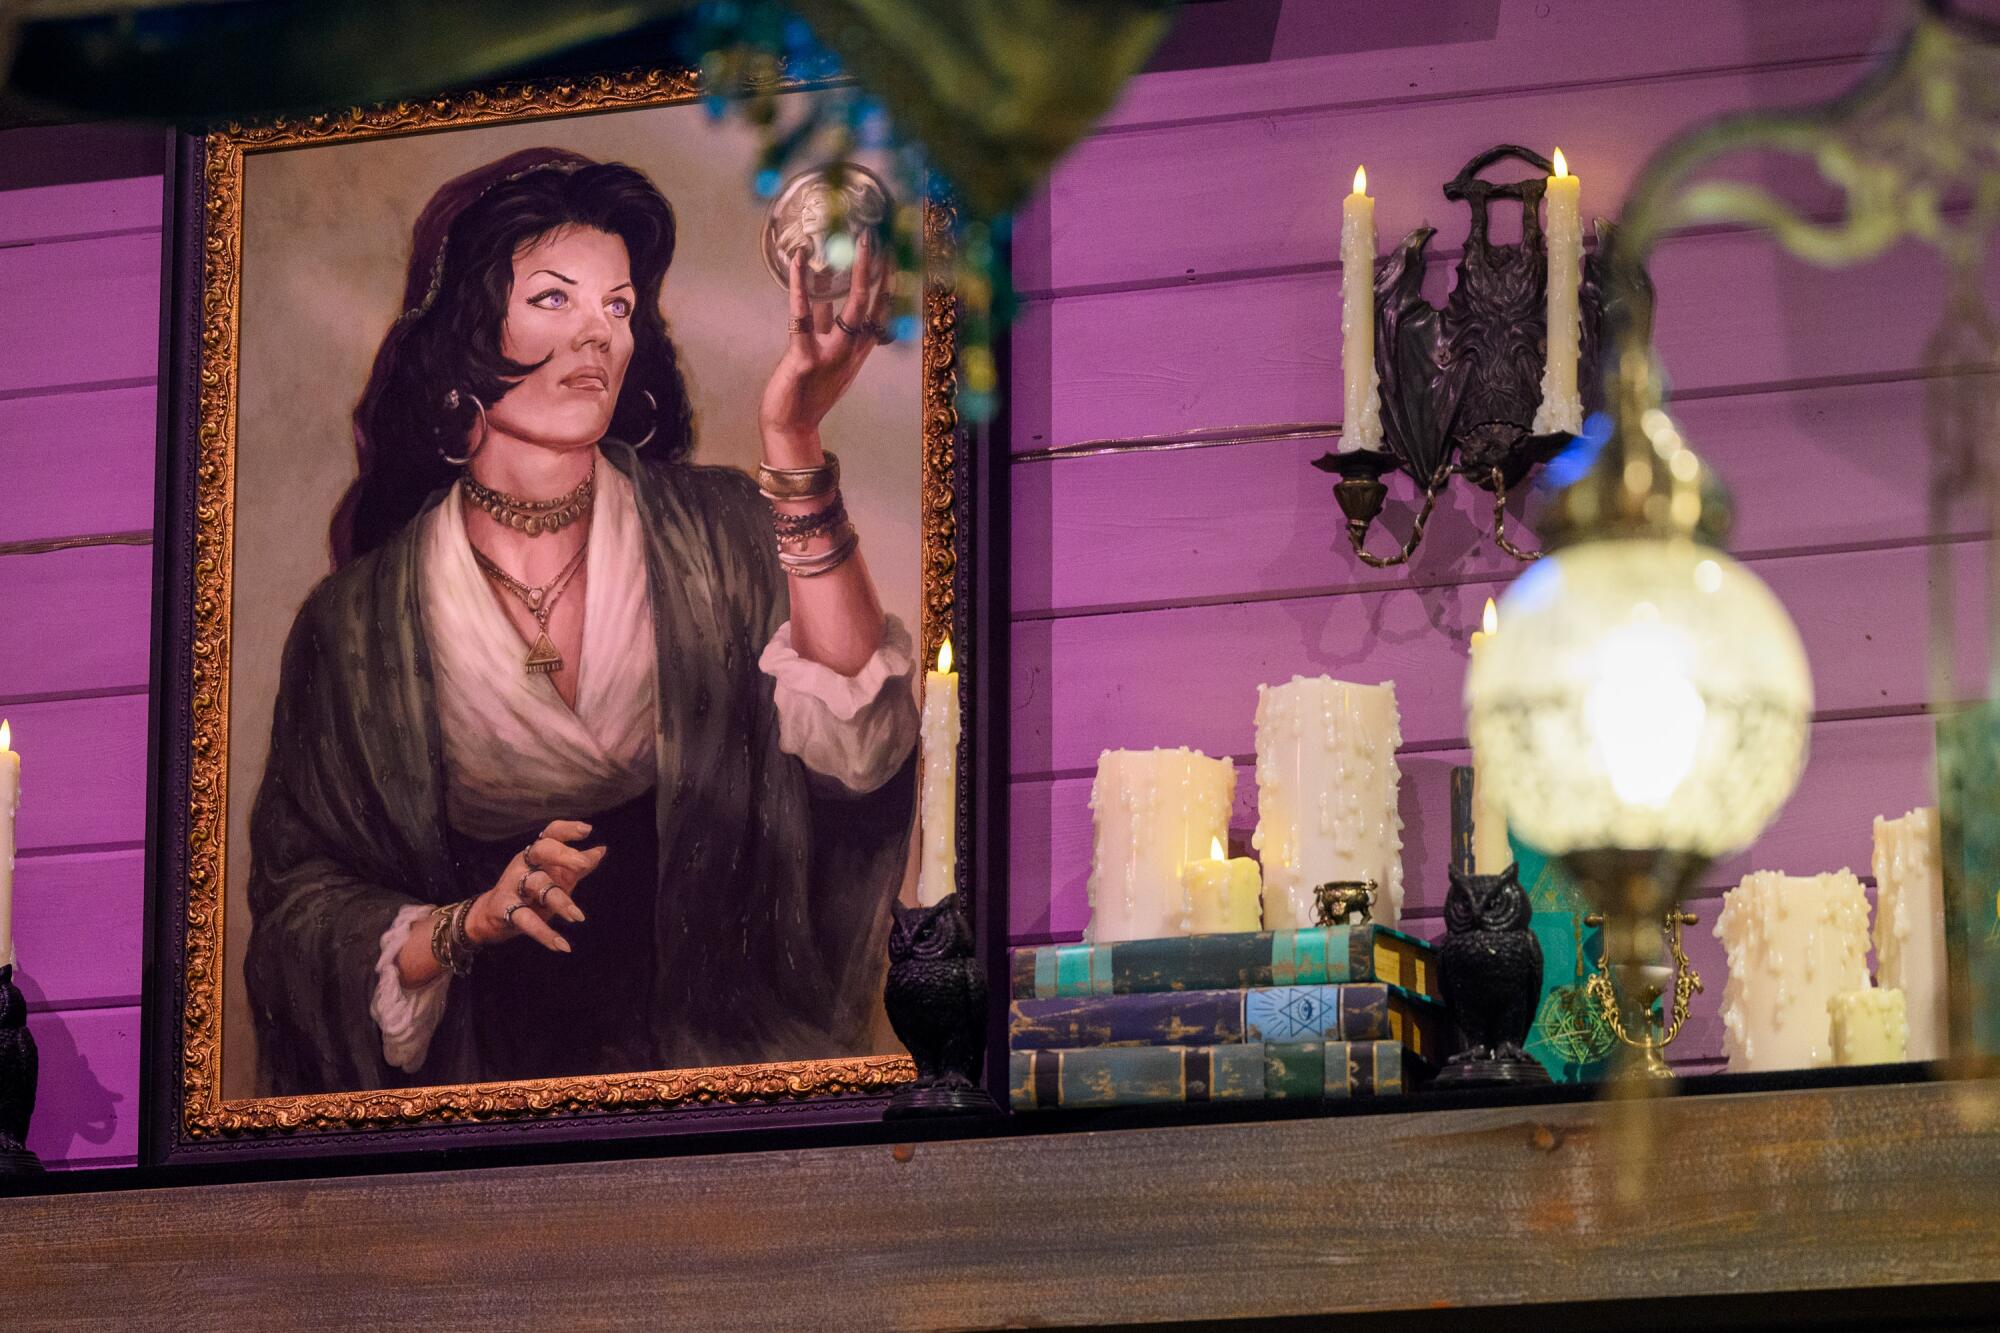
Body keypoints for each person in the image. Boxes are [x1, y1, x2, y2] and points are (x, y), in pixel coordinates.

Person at [243, 146, 920, 1095]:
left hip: (722, 1085)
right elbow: (295, 916)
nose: (599, 335)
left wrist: (794, 433)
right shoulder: (353, 626)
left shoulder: (721, 528)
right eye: (556, 298)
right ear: (468, 329)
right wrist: (461, 924)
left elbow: (862, 747)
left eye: (619, 306)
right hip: (474, 1119)